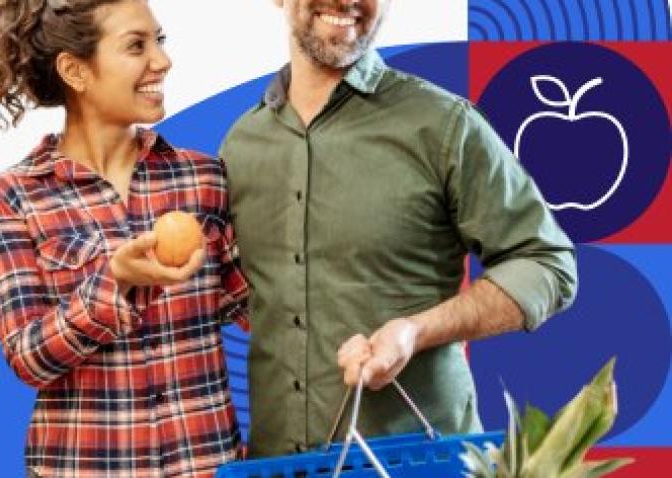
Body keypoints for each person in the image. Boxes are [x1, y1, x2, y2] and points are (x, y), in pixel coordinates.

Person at [219, 0, 578, 458]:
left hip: (417, 462)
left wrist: (416, 330)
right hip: (277, 463)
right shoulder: (240, 145)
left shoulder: (443, 126)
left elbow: (547, 263)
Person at [0, 0, 249, 476]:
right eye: (136, 46)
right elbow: (28, 356)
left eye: (159, 41)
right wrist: (113, 280)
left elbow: (256, 307)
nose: (162, 61)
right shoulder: (12, 197)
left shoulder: (204, 178)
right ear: (75, 71)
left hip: (207, 465)